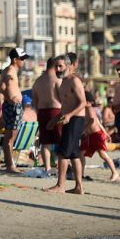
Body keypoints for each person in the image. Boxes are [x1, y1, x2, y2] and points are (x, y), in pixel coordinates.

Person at [45, 55, 87, 194]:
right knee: (74, 154)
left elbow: (83, 103)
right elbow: (65, 107)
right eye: (56, 66)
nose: (57, 69)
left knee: (62, 152)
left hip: (76, 120)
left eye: (60, 66)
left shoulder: (74, 81)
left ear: (68, 66)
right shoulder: (63, 83)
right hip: (68, 119)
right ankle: (79, 187)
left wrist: (69, 115)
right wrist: (55, 119)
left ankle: (60, 185)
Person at [0, 48, 29, 173]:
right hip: (14, 106)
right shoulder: (10, 71)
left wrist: (6, 94)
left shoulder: (8, 71)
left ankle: (10, 164)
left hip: (13, 106)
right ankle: (10, 166)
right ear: (15, 59)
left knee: (10, 137)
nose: (23, 61)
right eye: (22, 59)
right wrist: (10, 98)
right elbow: (2, 86)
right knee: (10, 137)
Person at [80, 90, 120, 182]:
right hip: (90, 136)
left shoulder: (89, 109)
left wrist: (84, 130)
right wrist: (106, 133)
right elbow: (98, 121)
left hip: (96, 135)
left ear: (88, 101)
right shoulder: (86, 109)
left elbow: (92, 121)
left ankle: (115, 172)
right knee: (81, 153)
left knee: (102, 154)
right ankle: (81, 174)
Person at [32, 57, 62, 174]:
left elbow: (34, 101)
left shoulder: (37, 81)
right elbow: (61, 98)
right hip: (56, 111)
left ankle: (47, 168)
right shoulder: (57, 80)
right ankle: (60, 166)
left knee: (45, 143)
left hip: (42, 112)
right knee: (60, 140)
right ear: (55, 66)